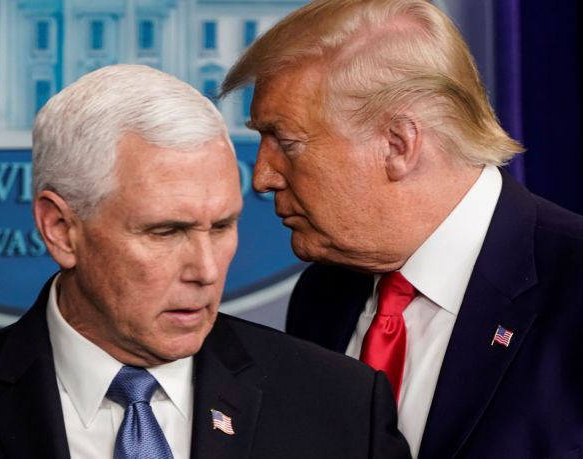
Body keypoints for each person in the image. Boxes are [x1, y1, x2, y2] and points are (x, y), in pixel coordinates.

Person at [0, 65, 411, 458]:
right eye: (165, 231)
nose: (206, 271)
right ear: (61, 230)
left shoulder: (341, 405)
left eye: (222, 226)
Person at [221, 0, 583, 458]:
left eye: (286, 142)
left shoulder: (573, 287)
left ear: (398, 145)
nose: (262, 178)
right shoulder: (323, 295)